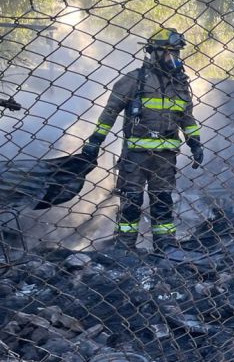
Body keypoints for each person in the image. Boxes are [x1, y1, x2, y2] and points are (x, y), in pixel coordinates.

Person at [81, 28, 203, 259]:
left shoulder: (180, 85)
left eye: (177, 54)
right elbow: (109, 113)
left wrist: (195, 143)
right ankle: (125, 247)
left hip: (166, 157)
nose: (175, 59)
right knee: (132, 200)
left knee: (163, 199)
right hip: (136, 156)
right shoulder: (134, 80)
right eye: (170, 53)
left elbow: (187, 118)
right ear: (155, 53)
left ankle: (165, 245)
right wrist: (95, 142)